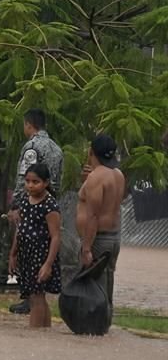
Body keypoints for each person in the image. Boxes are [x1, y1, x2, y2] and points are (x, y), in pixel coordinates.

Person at [7, 108, 63, 315]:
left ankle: (31, 299)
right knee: (44, 248)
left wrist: (16, 205)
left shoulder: (31, 147)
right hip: (51, 206)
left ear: (28, 125)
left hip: (33, 206)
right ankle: (35, 299)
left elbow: (27, 178)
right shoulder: (57, 149)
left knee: (28, 251)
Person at [77, 134, 126, 328]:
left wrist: (87, 247)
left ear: (91, 152)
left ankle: (95, 325)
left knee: (95, 285)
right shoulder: (118, 175)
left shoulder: (96, 178)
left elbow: (93, 216)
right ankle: (104, 323)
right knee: (107, 283)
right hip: (113, 237)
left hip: (99, 238)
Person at [8, 163, 62, 329]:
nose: (30, 185)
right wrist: (13, 253)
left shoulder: (49, 205)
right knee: (36, 296)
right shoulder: (25, 200)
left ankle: (35, 332)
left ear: (45, 183)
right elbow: (21, 229)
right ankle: (44, 331)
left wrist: (48, 264)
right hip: (26, 254)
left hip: (41, 256)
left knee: (36, 296)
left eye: (35, 182)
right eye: (28, 181)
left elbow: (55, 237)